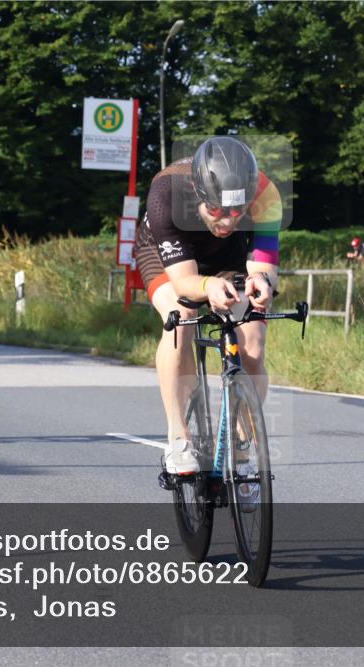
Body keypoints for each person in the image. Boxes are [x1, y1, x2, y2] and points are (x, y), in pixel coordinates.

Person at [134, 137, 282, 476]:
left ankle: (243, 446)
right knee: (182, 314)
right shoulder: (166, 194)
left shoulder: (265, 194)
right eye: (216, 211)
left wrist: (262, 282)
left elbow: (263, 261)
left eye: (237, 212)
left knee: (254, 340)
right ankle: (178, 438)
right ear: (198, 195)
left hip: (227, 257)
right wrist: (207, 286)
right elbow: (185, 281)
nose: (228, 222)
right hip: (164, 254)